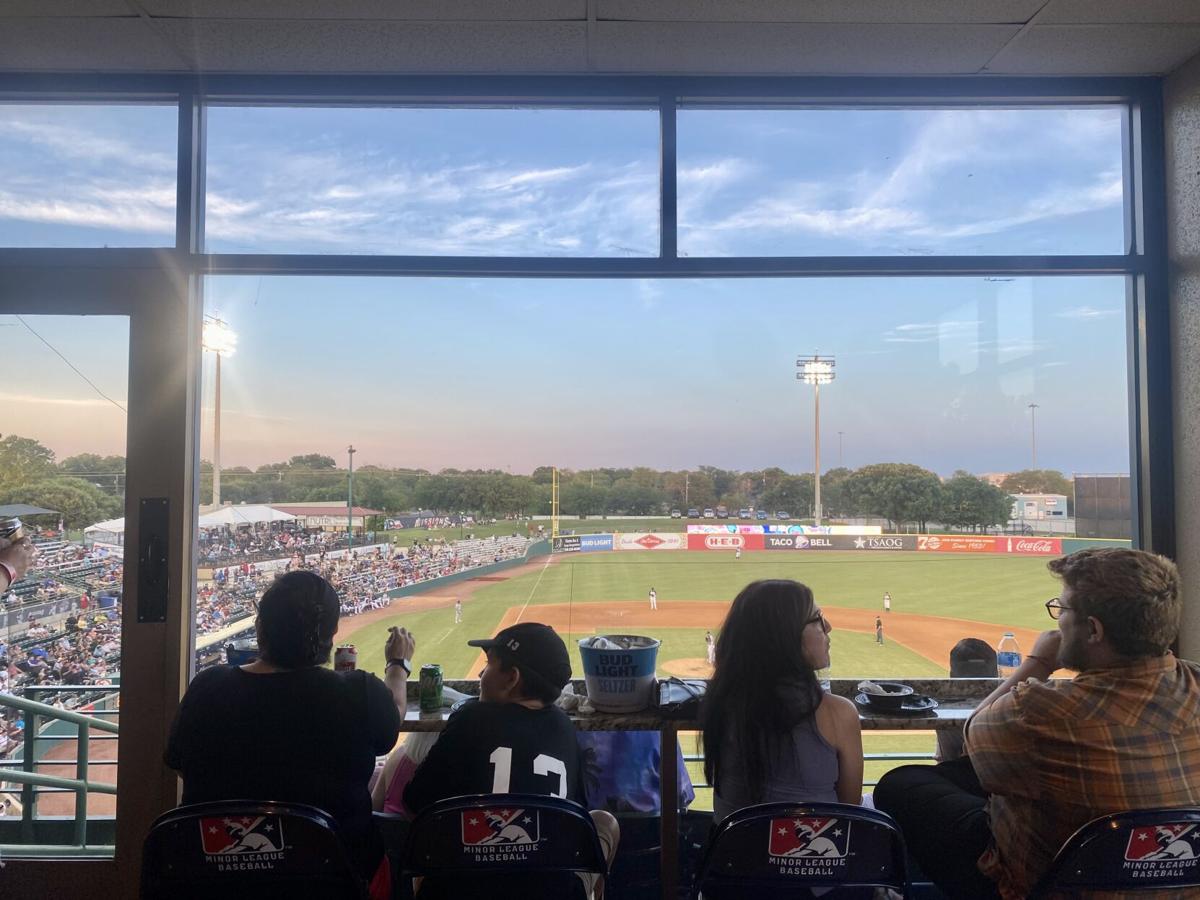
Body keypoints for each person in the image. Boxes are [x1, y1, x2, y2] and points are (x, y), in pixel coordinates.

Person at [875, 548, 1200, 900]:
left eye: (1063, 609)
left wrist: (1038, 662)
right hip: (1176, 884)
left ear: (1093, 630)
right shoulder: (1195, 681)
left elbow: (973, 736)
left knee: (901, 783)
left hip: (1049, 888)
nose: (1057, 621)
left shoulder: (1040, 712)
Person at [166, 571, 414, 880]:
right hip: (335, 881)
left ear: (260, 628)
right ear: (333, 632)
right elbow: (394, 716)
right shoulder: (358, 691)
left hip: (216, 880)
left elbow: (180, 767)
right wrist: (397, 665)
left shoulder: (207, 687)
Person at [403, 622, 619, 898]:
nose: (481, 673)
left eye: (489, 665)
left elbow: (412, 805)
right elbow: (573, 822)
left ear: (511, 679)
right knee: (603, 822)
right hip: (552, 892)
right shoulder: (564, 728)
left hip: (460, 890)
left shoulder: (471, 717)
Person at [702, 580, 864, 824]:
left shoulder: (719, 702)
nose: (828, 626)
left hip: (733, 856)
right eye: (817, 619)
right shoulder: (838, 713)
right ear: (786, 637)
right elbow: (849, 810)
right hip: (819, 858)